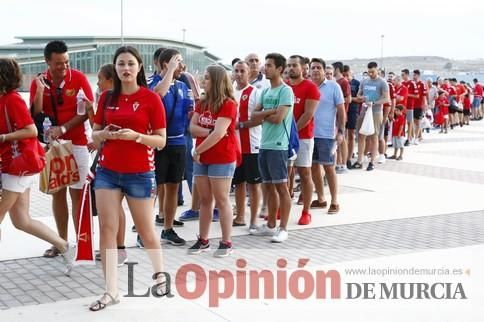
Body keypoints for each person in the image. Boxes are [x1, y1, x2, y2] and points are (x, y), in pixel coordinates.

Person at [90, 46, 168, 311]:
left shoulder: (151, 98)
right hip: (107, 172)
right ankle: (111, 291)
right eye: (121, 64)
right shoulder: (105, 98)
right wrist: (106, 135)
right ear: (115, 67)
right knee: (107, 230)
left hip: (140, 173)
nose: (125, 68)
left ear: (139, 67)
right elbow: (95, 135)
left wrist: (135, 136)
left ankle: (160, 275)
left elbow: (161, 140)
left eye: (130, 64)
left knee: (146, 230)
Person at [0, 58, 75, 275]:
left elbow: (31, 131)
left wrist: (4, 137)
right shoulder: (4, 99)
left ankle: (65, 246)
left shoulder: (12, 100)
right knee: (21, 221)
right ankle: (65, 246)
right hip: (14, 166)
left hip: (18, 166)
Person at [30, 40, 94, 258]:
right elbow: (35, 115)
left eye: (66, 62)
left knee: (79, 196)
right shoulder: (38, 81)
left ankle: (83, 244)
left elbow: (87, 111)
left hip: (77, 145)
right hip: (53, 148)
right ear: (47, 61)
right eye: (58, 63)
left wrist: (64, 127)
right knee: (57, 195)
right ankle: (61, 242)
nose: (64, 67)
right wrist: (39, 91)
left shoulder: (78, 78)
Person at [187, 65, 239, 257]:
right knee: (205, 199)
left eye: (207, 78)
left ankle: (226, 242)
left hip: (221, 157)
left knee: (222, 199)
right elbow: (192, 128)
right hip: (202, 157)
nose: (203, 81)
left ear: (216, 81)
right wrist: (209, 133)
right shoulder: (203, 102)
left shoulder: (228, 104)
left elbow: (220, 134)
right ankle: (203, 239)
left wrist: (198, 149)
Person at [150, 48, 194, 247]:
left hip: (178, 143)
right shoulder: (153, 83)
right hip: (158, 144)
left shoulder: (183, 86)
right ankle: (145, 231)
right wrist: (170, 71)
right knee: (153, 189)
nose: (182, 66)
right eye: (178, 62)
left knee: (173, 188)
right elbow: (158, 94)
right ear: (167, 64)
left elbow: (190, 113)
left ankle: (168, 229)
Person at [250, 53, 294, 243]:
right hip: (264, 144)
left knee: (281, 187)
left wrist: (264, 114)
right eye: (265, 65)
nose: (264, 68)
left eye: (269, 65)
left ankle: (283, 228)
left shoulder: (285, 91)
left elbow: (278, 119)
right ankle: (270, 226)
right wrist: (269, 112)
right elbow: (254, 115)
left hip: (278, 146)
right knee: (268, 188)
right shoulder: (266, 92)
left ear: (279, 69)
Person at [87, 64, 128, 266]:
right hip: (104, 155)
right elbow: (98, 129)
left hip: (115, 159)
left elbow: (106, 130)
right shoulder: (105, 99)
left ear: (111, 80)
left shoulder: (116, 100)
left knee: (116, 204)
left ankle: (119, 249)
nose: (98, 82)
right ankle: (113, 247)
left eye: (100, 78)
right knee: (111, 206)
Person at [287, 55, 320, 225]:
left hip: (303, 137)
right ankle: (283, 208)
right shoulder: (284, 86)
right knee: (285, 175)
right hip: (284, 137)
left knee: (305, 173)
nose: (291, 68)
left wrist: (292, 132)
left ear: (302, 68)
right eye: (289, 65)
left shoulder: (310, 87)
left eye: (294, 65)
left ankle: (306, 211)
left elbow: (308, 114)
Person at [309, 58, 345, 214]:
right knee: (313, 167)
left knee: (329, 167)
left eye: (318, 67)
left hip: (327, 135)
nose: (315, 70)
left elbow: (341, 111)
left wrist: (341, 131)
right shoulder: (308, 86)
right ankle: (321, 198)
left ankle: (335, 200)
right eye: (313, 68)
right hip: (309, 134)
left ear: (324, 70)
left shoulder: (333, 86)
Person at [231, 60, 262, 230]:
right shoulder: (230, 93)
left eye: (242, 71)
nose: (239, 74)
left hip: (252, 145)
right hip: (235, 146)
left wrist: (240, 125)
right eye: (236, 70)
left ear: (249, 72)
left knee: (254, 184)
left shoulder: (255, 93)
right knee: (239, 183)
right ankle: (240, 216)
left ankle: (254, 220)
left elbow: (259, 119)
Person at [353, 62, 389, 171]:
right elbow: (358, 94)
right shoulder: (364, 81)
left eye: (372, 72)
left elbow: (386, 99)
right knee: (361, 135)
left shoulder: (382, 83)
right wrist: (362, 98)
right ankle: (359, 161)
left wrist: (374, 103)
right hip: (364, 110)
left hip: (376, 112)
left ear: (377, 70)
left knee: (374, 137)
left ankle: (372, 162)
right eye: (369, 72)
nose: (370, 74)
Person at [343, 65, 360, 169]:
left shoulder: (356, 83)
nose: (346, 77)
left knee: (351, 135)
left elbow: (359, 99)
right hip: (343, 110)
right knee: (342, 135)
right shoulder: (340, 82)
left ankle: (349, 158)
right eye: (344, 75)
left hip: (353, 111)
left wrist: (349, 99)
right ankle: (343, 158)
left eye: (347, 75)